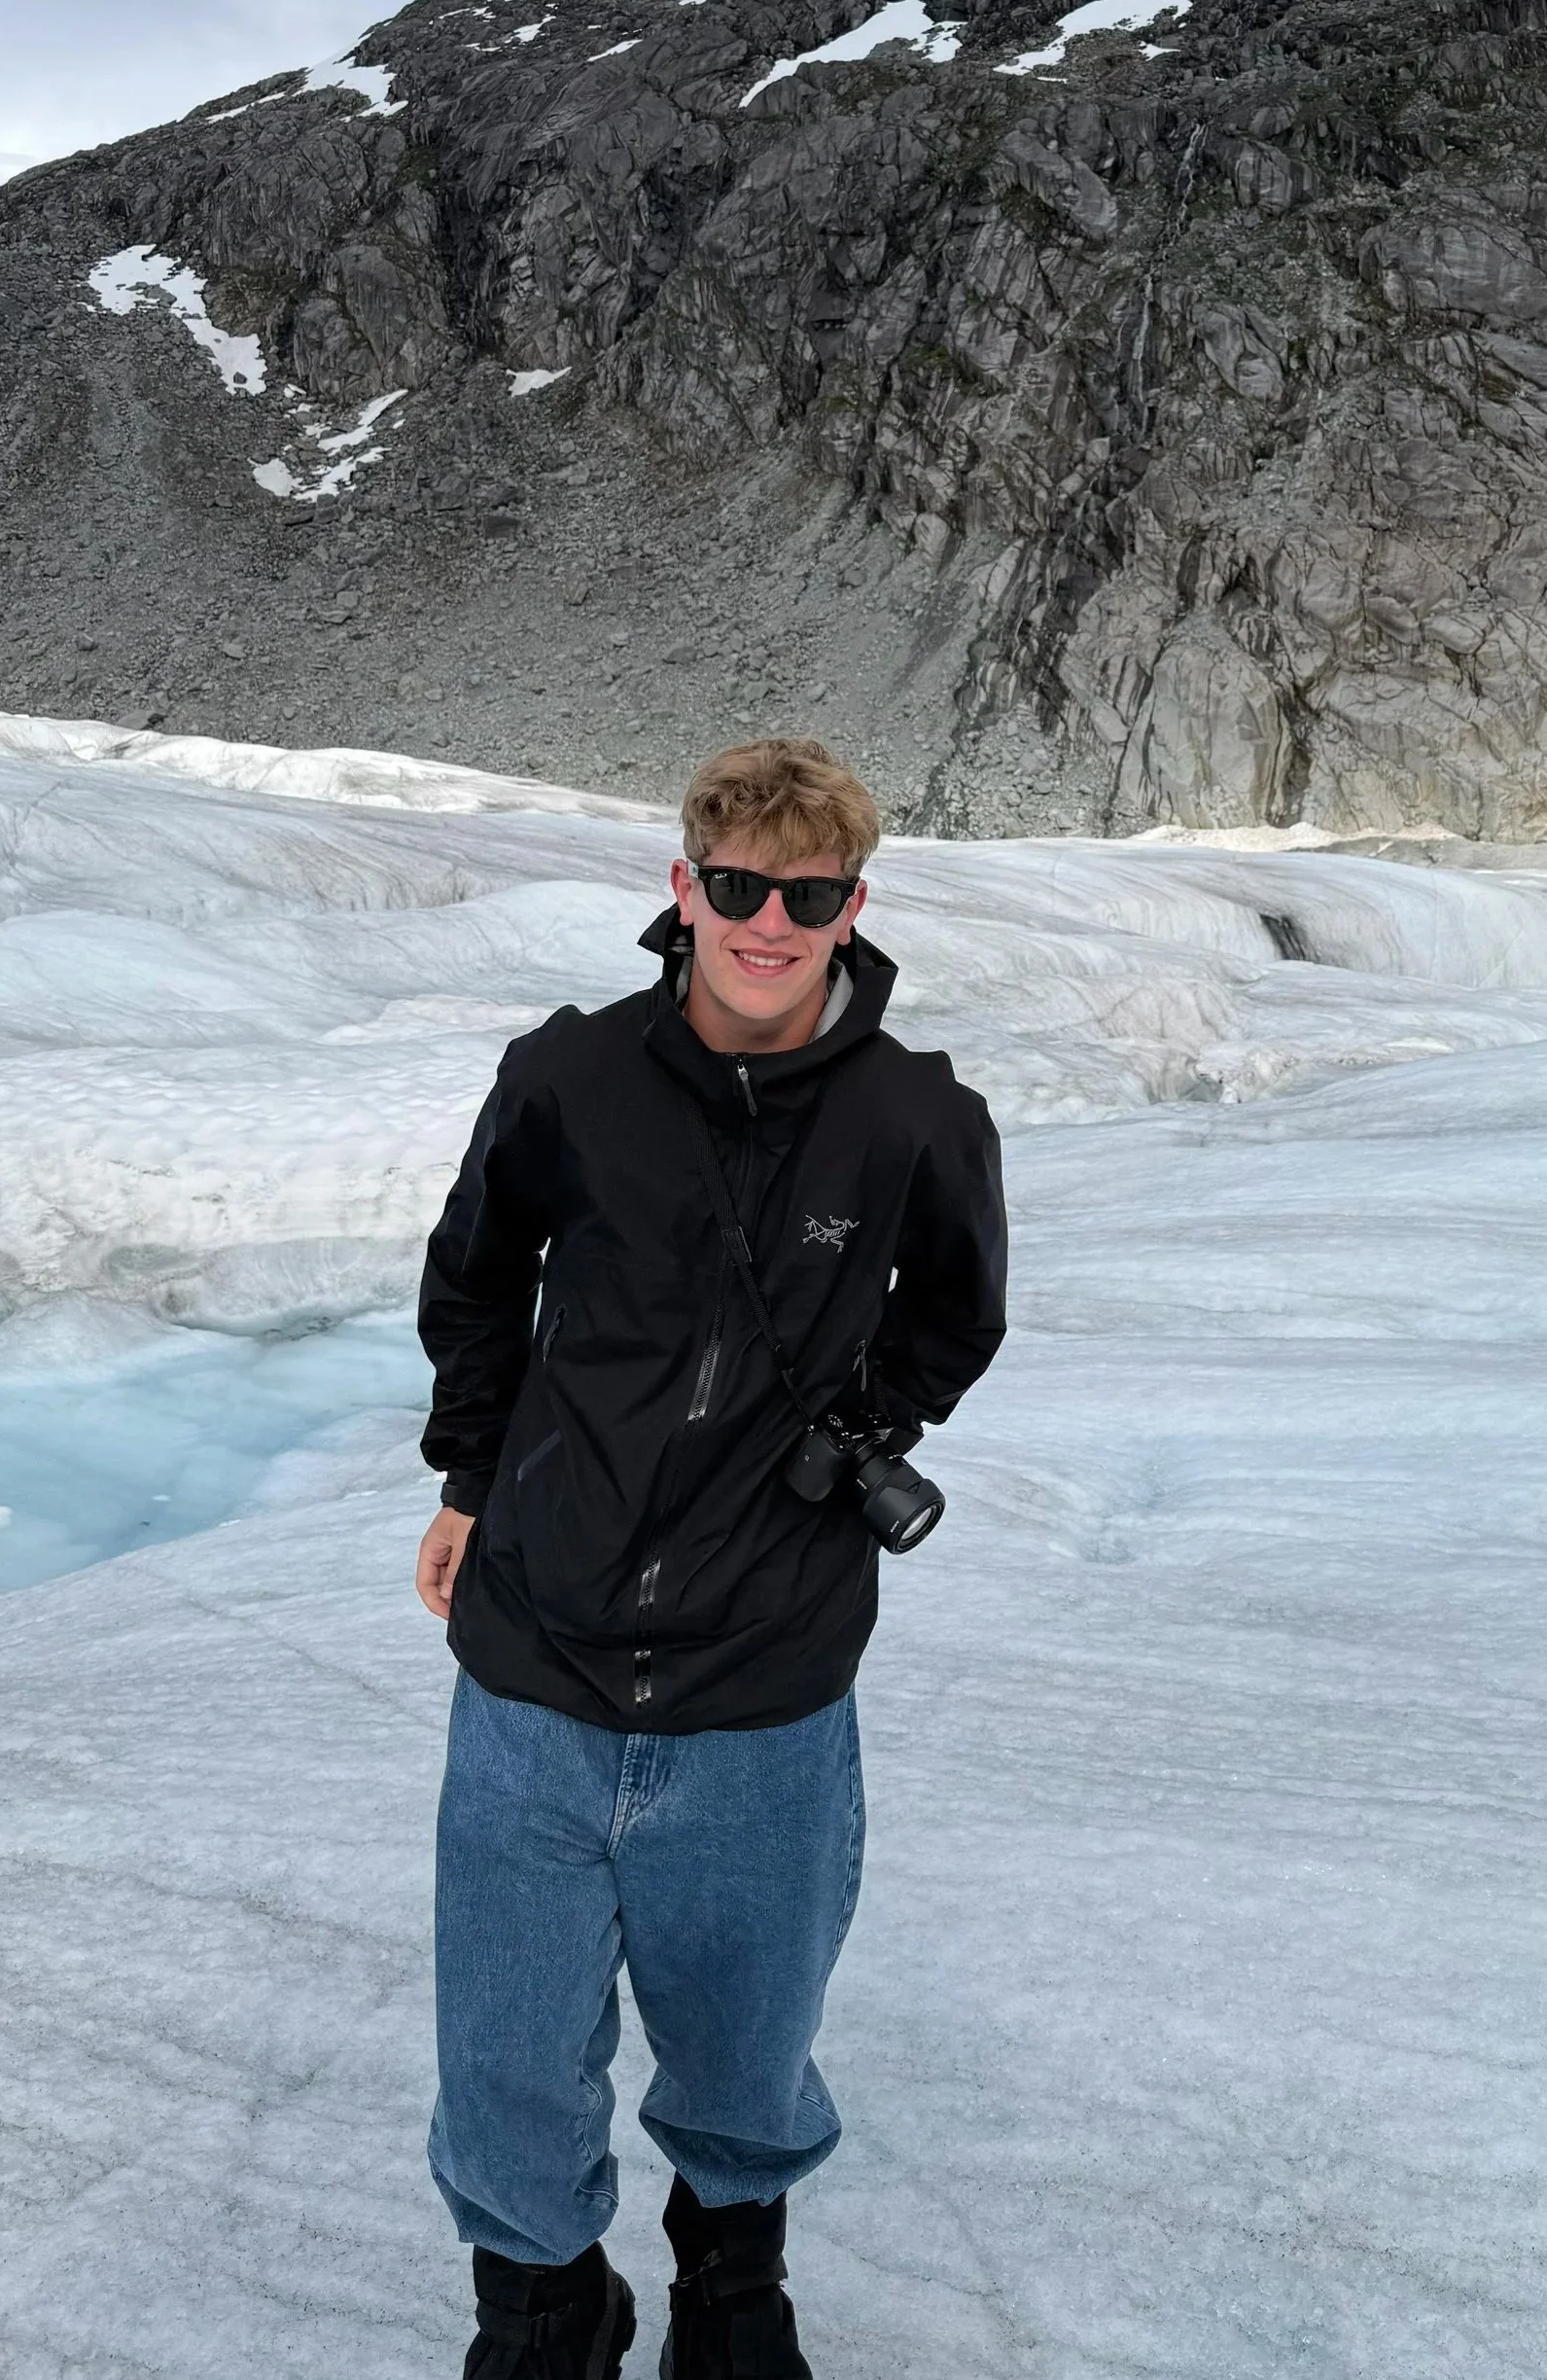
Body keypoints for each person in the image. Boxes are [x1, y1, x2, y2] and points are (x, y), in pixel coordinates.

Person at [413, 737, 1007, 2380]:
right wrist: (473, 1476)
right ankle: (541, 2305)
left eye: (803, 896)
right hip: (539, 1648)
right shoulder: (569, 1075)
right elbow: (474, 1282)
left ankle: (729, 2289)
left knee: (747, 2040)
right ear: (682, 888)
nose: (765, 923)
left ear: (851, 906)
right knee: (509, 2048)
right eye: (735, 888)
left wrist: (856, 1433)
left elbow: (959, 1314)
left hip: (767, 1667)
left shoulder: (913, 1116)